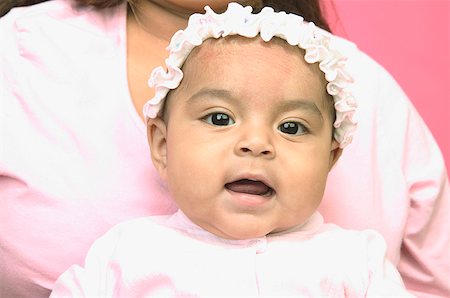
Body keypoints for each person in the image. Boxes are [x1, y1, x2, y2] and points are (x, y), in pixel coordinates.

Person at [0, 0, 448, 297]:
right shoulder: (126, 255)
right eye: (219, 119)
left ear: (333, 156)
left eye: (291, 127)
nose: (256, 143)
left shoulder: (358, 263)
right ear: (160, 142)